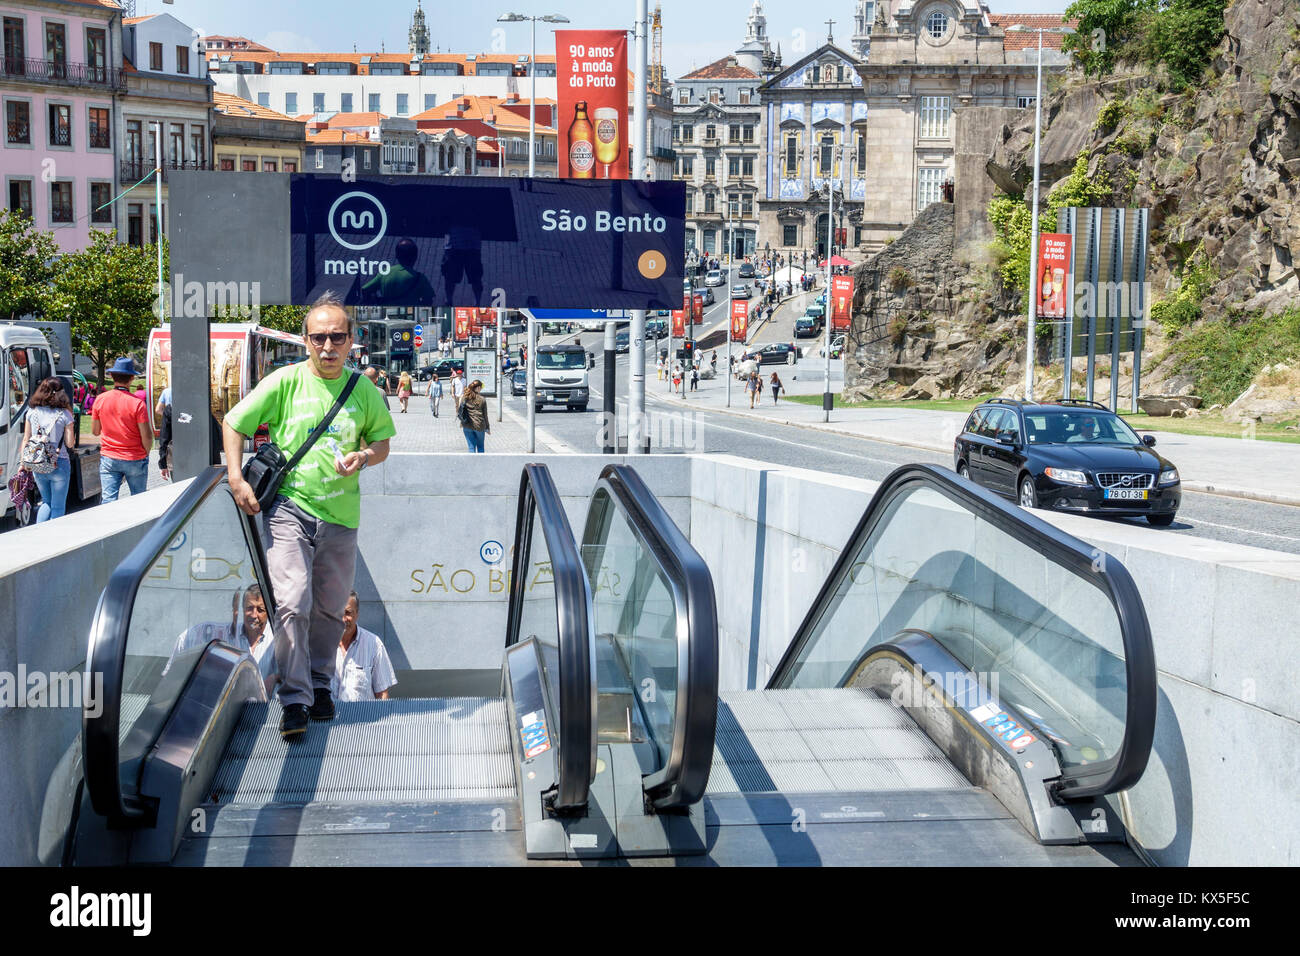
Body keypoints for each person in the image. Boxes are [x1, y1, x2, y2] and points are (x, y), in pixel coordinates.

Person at [223, 293, 395, 740]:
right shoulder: (285, 382)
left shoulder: (363, 389)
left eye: (337, 336)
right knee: (292, 601)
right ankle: (295, 698)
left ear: (352, 339)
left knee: (331, 609)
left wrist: (364, 456)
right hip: (288, 509)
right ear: (305, 340)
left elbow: (382, 444)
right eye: (318, 337)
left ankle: (321, 686)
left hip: (341, 514)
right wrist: (236, 477)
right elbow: (235, 422)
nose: (328, 345)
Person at [162, 584, 279, 697]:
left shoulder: (277, 639)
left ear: (268, 612)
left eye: (260, 609)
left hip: (266, 711)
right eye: (249, 608)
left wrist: (274, 678)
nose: (254, 615)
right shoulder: (227, 636)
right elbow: (169, 678)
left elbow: (294, 676)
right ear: (242, 609)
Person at [92, 357, 153, 503]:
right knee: (138, 500)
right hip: (134, 456)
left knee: (108, 500)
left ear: (112, 376)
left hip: (109, 457)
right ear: (132, 378)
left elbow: (95, 431)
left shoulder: (100, 399)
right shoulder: (137, 404)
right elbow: (146, 435)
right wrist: (146, 452)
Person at [21, 377, 76, 522]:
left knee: (46, 502)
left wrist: (23, 464)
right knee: (58, 506)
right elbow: (70, 444)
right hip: (59, 463)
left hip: (37, 464)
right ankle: (55, 540)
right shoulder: (64, 414)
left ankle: (40, 536)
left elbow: (26, 439)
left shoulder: (32, 412)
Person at [333, 591, 397, 702]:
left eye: (348, 613)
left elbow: (382, 694)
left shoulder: (374, 644)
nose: (343, 619)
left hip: (364, 718)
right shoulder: (319, 645)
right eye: (339, 613)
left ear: (357, 614)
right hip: (326, 719)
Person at [457, 378, 490, 452]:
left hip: (467, 425)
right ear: (478, 388)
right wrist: (487, 428)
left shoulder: (465, 398)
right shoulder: (482, 399)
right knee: (480, 447)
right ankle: (481, 463)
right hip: (479, 425)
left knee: (471, 447)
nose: (481, 389)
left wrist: (461, 423)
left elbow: (461, 410)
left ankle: (472, 463)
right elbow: (485, 415)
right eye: (481, 387)